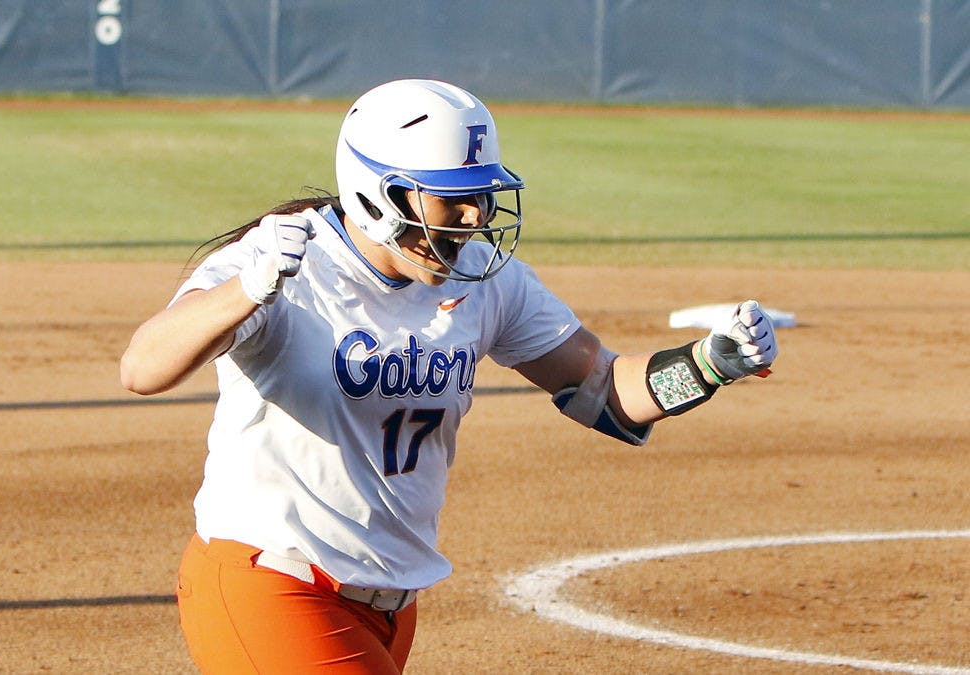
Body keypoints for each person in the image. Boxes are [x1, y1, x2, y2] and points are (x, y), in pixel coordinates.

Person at [120, 79, 777, 674]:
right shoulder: (281, 261)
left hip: (389, 604)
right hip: (271, 584)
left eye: (481, 198)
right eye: (455, 200)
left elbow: (604, 393)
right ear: (383, 195)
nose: (475, 218)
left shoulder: (487, 282)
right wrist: (247, 288)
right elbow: (143, 366)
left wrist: (710, 363)